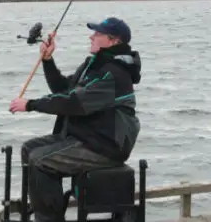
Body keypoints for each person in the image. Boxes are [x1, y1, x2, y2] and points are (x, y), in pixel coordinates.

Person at [8, 17, 142, 222]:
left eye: (97, 34)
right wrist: (47, 60)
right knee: (29, 149)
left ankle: (49, 219)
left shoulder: (113, 73)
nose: (91, 37)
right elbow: (63, 89)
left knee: (40, 161)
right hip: (87, 137)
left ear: (114, 41)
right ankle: (46, 212)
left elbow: (74, 103)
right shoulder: (94, 65)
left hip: (105, 145)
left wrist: (31, 105)